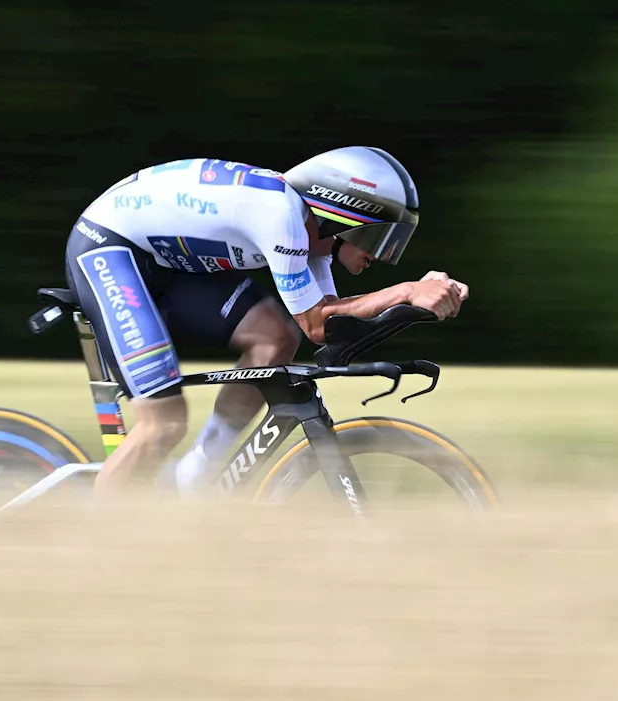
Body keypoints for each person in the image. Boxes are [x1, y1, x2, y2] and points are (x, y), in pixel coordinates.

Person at [62, 146, 468, 497]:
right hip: (108, 248)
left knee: (274, 339)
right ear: (341, 214)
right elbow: (317, 322)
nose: (380, 255)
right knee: (164, 422)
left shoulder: (315, 238)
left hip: (164, 262)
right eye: (377, 238)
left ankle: (190, 483)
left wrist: (417, 303)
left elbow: (327, 326)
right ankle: (97, 544)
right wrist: (405, 292)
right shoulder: (281, 215)